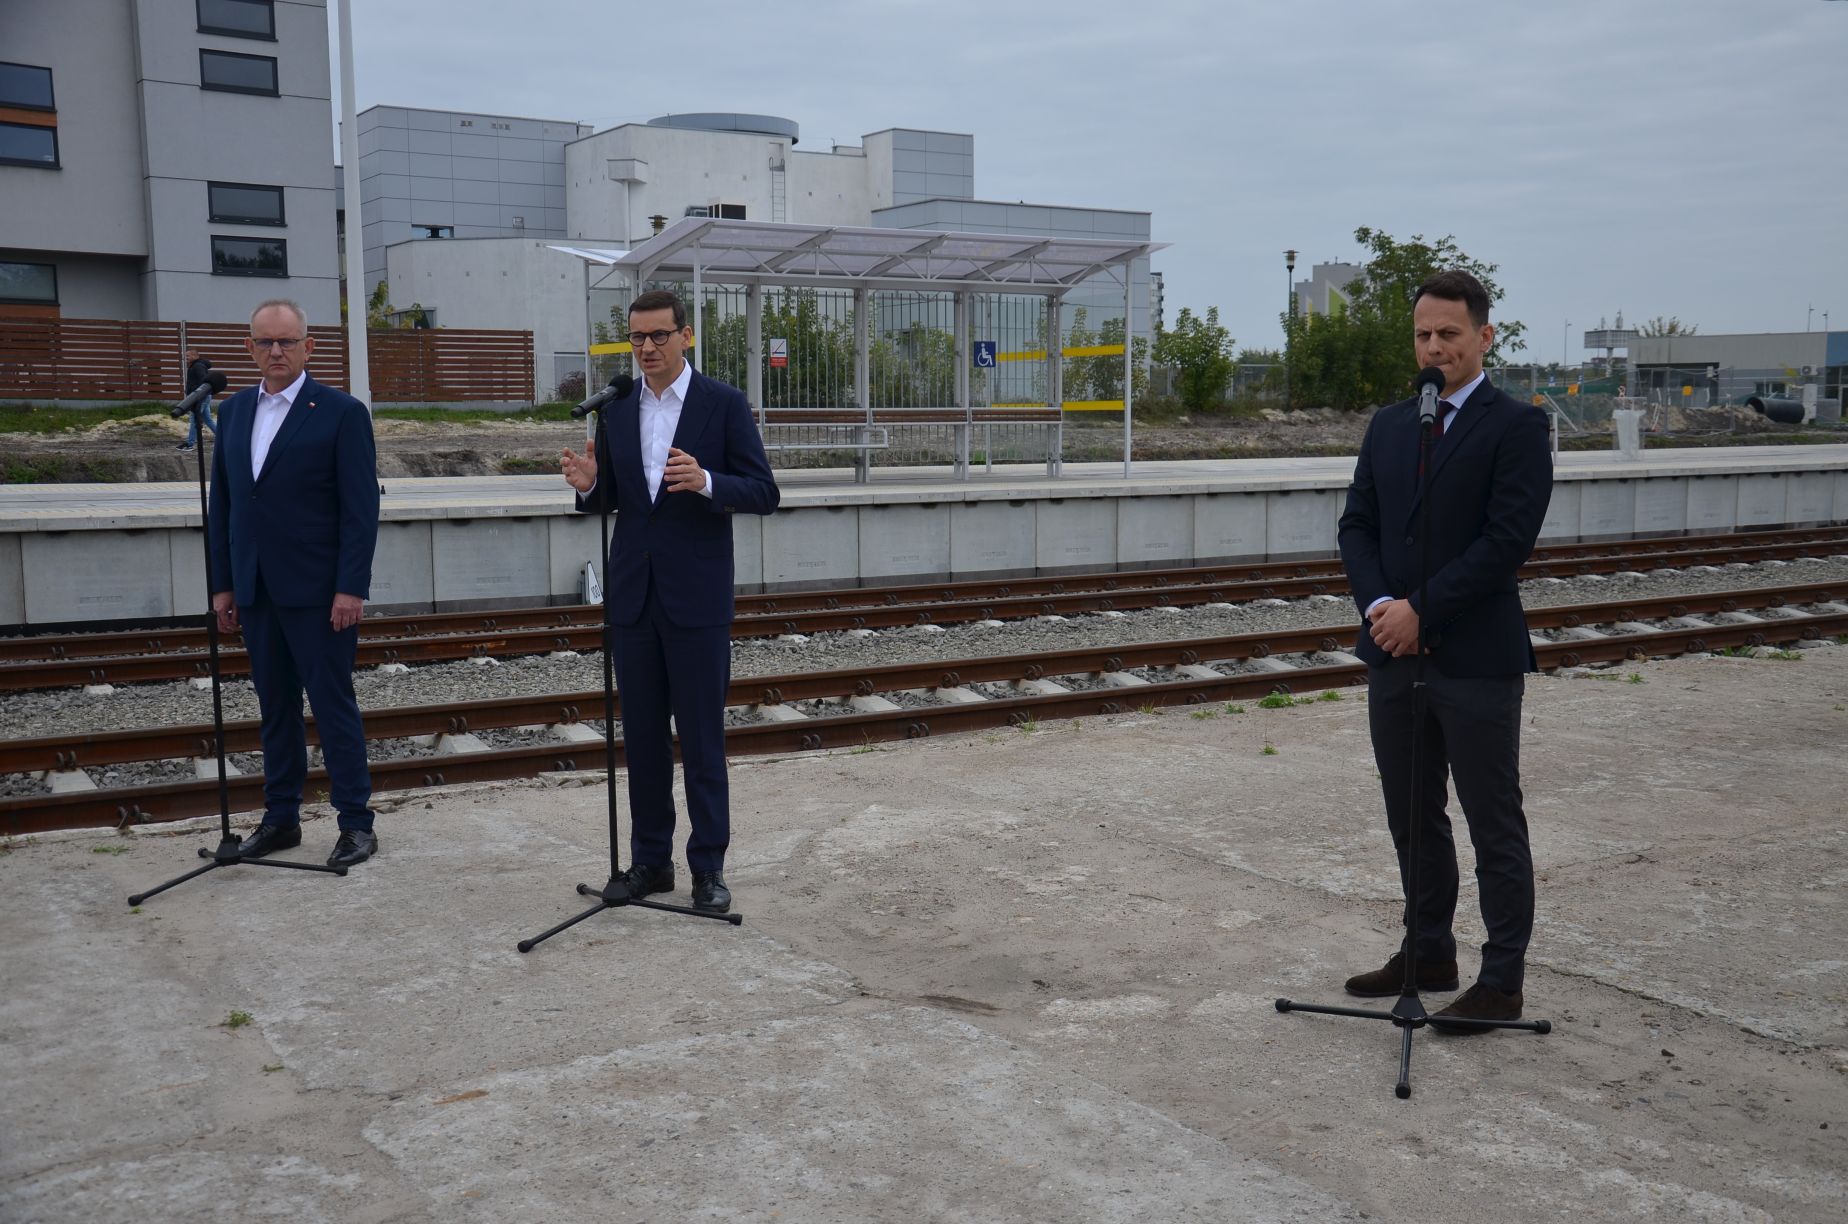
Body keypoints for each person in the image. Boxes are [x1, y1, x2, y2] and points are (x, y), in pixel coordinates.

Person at [1335, 270, 1552, 1031]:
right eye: (1424, 335)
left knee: (1494, 820)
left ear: (1484, 336)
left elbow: (1506, 542)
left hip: (1476, 658)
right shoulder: (1391, 424)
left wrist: (1425, 610)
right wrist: (1381, 608)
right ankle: (1426, 951)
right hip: (1394, 653)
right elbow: (1357, 525)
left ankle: (1502, 981)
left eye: (1450, 335)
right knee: (1412, 815)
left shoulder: (1517, 426)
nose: (1435, 348)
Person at [560, 289, 780, 913]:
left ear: (686, 337)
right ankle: (651, 863)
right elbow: (618, 501)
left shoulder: (722, 404)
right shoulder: (619, 408)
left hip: (696, 598)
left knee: (702, 740)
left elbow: (764, 491)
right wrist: (590, 487)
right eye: (637, 339)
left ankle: (707, 867)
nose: (647, 348)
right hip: (633, 597)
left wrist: (708, 481)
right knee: (644, 740)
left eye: (659, 336)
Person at [207, 300, 381, 868]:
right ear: (248, 347)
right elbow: (226, 506)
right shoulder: (231, 413)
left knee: (333, 707)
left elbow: (360, 510)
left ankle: (356, 824)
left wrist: (350, 587)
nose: (275, 352)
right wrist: (223, 584)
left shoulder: (339, 412)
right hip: (256, 591)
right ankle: (281, 819)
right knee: (274, 709)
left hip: (319, 592)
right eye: (264, 342)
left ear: (309, 347)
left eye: (286, 342)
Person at [177, 349, 217, 451]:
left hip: (199, 397)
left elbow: (204, 380)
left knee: (194, 420)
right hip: (201, 396)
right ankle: (223, 437)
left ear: (195, 356)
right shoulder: (195, 365)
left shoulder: (198, 366)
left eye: (188, 356)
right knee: (207, 419)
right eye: (186, 356)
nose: (186, 358)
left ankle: (190, 444)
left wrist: (197, 395)